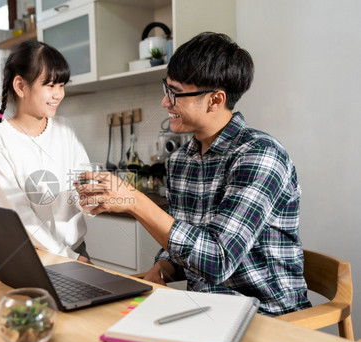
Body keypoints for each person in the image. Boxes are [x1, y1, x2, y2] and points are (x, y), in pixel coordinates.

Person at [76, 32, 311, 316]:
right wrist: (166, 265)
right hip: (205, 311)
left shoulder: (259, 155)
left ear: (215, 100)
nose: (165, 102)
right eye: (167, 88)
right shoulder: (180, 160)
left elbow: (218, 259)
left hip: (268, 317)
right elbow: (188, 236)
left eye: (175, 93)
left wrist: (133, 200)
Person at [0, 40, 91, 263]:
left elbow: (84, 185)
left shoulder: (65, 129)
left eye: (61, 85)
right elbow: (19, 214)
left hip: (78, 250)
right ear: (21, 86)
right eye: (50, 86)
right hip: (33, 258)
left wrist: (94, 199)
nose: (59, 94)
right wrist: (67, 256)